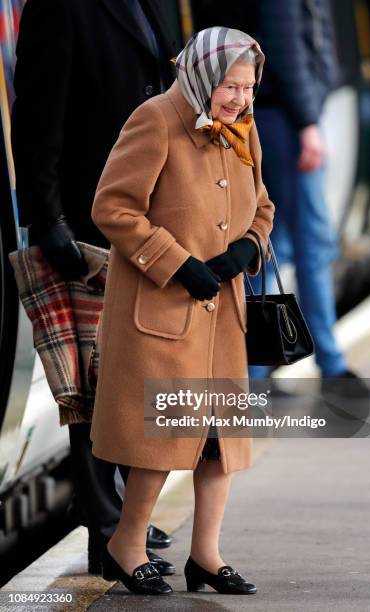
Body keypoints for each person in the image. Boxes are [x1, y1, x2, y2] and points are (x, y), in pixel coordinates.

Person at [89, 27, 275, 595]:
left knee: (218, 444)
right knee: (162, 440)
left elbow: (261, 205)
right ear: (201, 75)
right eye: (229, 85)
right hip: (164, 312)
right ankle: (126, 544)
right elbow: (112, 207)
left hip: (223, 318)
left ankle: (207, 557)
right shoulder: (156, 118)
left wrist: (249, 246)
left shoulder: (243, 130)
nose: (240, 98)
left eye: (247, 87)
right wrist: (177, 262)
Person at [10, 0, 181, 574]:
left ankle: (125, 517)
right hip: (87, 218)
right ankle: (108, 532)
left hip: (152, 210)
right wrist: (46, 218)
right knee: (93, 381)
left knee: (141, 368)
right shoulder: (58, 9)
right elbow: (35, 113)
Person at [248, 0, 370, 401]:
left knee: (277, 246)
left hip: (290, 116)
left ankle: (254, 373)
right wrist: (308, 123)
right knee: (313, 242)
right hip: (289, 121)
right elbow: (285, 48)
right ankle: (330, 365)